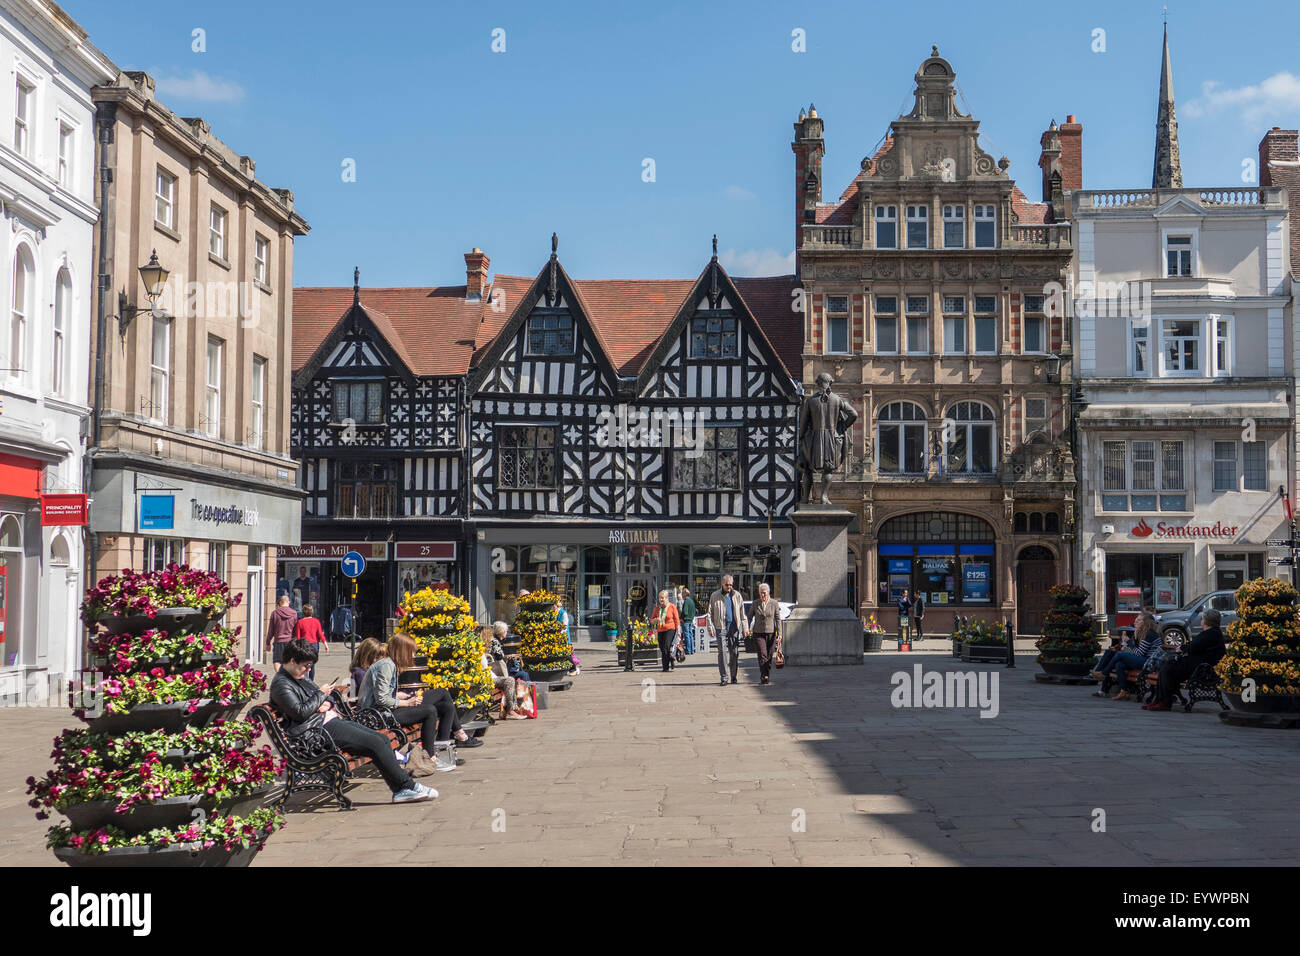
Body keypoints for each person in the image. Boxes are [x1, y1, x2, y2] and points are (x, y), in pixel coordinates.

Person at [270, 638, 436, 804]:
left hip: (327, 722)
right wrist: (320, 696)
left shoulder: (299, 677)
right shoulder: (282, 684)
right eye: (306, 665)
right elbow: (300, 712)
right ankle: (406, 787)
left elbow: (325, 699)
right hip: (317, 732)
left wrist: (326, 702)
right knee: (375, 743)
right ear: (292, 661)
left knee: (382, 739)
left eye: (310, 666)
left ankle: (402, 789)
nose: (308, 670)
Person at [359, 632, 476, 773]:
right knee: (430, 710)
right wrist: (408, 703)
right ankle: (430, 756)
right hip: (379, 715)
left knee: (445, 704)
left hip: (387, 710)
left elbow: (381, 693)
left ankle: (442, 751)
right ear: (402, 651)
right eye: (411, 653)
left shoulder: (389, 664)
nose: (413, 657)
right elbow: (381, 700)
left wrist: (399, 696)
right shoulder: (386, 665)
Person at [1144, 609, 1228, 712]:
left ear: (1205, 621)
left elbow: (1195, 646)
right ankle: (1159, 700)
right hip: (1197, 665)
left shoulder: (1212, 633)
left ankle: (1164, 703)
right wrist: (1184, 647)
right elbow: (1195, 645)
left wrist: (1182, 648)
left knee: (1168, 669)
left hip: (1202, 669)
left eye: (1202, 618)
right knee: (1166, 666)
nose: (1201, 620)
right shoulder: (1211, 632)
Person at [1094, 612, 1161, 701]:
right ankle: (1124, 691)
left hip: (1148, 663)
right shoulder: (1142, 632)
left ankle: (1103, 673)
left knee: (1119, 654)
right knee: (1118, 663)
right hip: (1142, 659)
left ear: (1146, 622)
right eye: (1136, 619)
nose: (1135, 622)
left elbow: (1139, 653)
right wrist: (1131, 643)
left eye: (1139, 620)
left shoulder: (1150, 634)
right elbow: (1136, 651)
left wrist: (1129, 642)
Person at [481, 625, 529, 720]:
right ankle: (513, 708)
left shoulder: (485, 647)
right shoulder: (493, 643)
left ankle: (509, 709)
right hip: (489, 677)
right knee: (512, 680)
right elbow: (498, 659)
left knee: (511, 679)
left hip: (491, 675)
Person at [708, 575, 749, 686]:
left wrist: (745, 628)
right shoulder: (715, 595)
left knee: (734, 653)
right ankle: (724, 677)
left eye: (731, 585)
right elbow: (709, 613)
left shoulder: (737, 595)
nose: (729, 587)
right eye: (727, 585)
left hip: (734, 628)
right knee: (722, 653)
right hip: (720, 627)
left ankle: (734, 676)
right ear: (722, 583)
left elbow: (742, 614)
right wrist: (710, 627)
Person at [750, 582, 781, 685]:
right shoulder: (755, 603)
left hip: (771, 633)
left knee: (769, 655)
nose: (762, 595)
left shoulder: (774, 603)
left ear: (768, 592)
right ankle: (764, 676)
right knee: (762, 654)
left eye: (764, 593)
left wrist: (780, 634)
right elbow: (749, 616)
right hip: (758, 633)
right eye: (761, 593)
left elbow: (778, 618)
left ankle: (766, 673)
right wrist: (746, 628)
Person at [264, 594, 298, 672]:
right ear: (288, 602)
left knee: (277, 661)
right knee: (289, 661)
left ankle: (280, 676)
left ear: (280, 602)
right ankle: (287, 678)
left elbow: (271, 630)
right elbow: (296, 629)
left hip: (278, 641)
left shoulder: (275, 613)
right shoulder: (294, 613)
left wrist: (268, 642)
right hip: (290, 641)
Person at [294, 604, 327, 681]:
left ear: (303, 612)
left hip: (304, 645)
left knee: (303, 664)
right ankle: (311, 681)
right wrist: (325, 643)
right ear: (312, 612)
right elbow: (320, 634)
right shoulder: (316, 621)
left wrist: (297, 647)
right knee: (312, 665)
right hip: (314, 645)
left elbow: (298, 637)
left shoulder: (300, 622)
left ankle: (304, 680)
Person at [651, 589, 682, 673]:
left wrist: (678, 631)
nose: (661, 600)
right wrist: (655, 620)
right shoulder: (657, 608)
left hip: (670, 629)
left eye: (663, 598)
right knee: (662, 648)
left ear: (667, 598)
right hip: (660, 630)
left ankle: (665, 667)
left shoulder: (672, 607)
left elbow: (677, 620)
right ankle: (671, 659)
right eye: (660, 598)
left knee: (666, 647)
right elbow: (651, 620)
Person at [555, 598, 581, 676]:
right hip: (556, 638)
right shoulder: (553, 613)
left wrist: (559, 633)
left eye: (553, 605)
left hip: (564, 638)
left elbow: (564, 626)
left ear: (556, 605)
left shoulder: (563, 613)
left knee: (566, 654)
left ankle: (574, 669)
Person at [680, 587, 697, 655]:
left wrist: (681, 618)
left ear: (684, 594)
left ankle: (688, 650)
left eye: (682, 593)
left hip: (686, 620)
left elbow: (685, 612)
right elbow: (693, 611)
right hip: (690, 620)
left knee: (687, 635)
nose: (681, 595)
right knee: (690, 635)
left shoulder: (686, 601)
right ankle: (692, 650)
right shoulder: (691, 601)